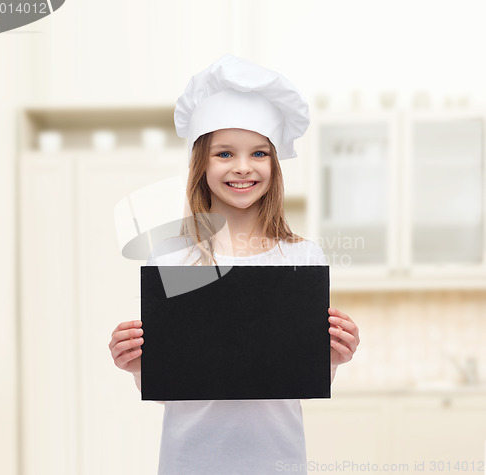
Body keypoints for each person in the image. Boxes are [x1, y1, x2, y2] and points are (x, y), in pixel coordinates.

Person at [109, 54, 360, 474]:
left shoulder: (303, 257)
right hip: (189, 461)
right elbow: (171, 389)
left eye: (258, 153)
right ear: (201, 164)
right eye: (224, 153)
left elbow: (295, 379)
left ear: (274, 165)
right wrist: (138, 366)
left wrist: (333, 358)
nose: (243, 167)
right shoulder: (171, 257)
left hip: (278, 461)